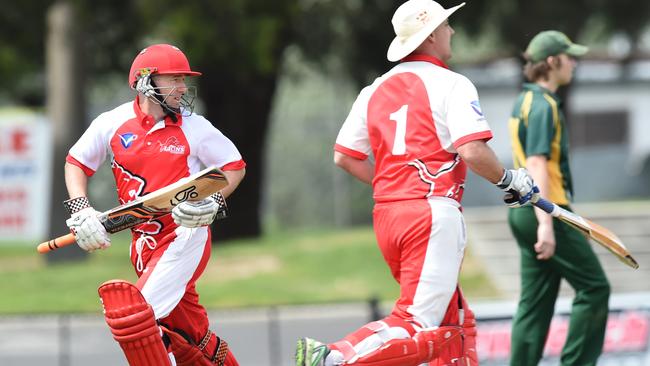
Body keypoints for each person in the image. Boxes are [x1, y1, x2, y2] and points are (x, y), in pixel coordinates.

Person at [295, 0, 539, 365]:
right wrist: (509, 180)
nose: (451, 31)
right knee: (416, 321)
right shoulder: (452, 84)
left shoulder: (374, 89)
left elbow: (345, 156)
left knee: (454, 320)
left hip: (389, 216)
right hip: (431, 213)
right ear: (430, 36)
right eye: (445, 25)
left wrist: (390, 187)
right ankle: (335, 357)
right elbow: (472, 151)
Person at [63, 43, 244, 366]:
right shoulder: (112, 122)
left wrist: (213, 202)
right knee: (190, 333)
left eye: (183, 80)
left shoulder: (194, 126)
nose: (182, 88)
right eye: (173, 79)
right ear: (146, 81)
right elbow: (76, 162)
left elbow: (234, 166)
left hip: (185, 234)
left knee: (135, 317)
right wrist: (80, 208)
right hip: (143, 243)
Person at [507, 31, 610, 366]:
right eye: (569, 57)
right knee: (595, 288)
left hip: (520, 210)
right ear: (552, 62)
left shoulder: (522, 101)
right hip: (547, 209)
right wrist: (547, 223)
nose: (574, 63)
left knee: (534, 303)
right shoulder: (544, 105)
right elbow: (537, 162)